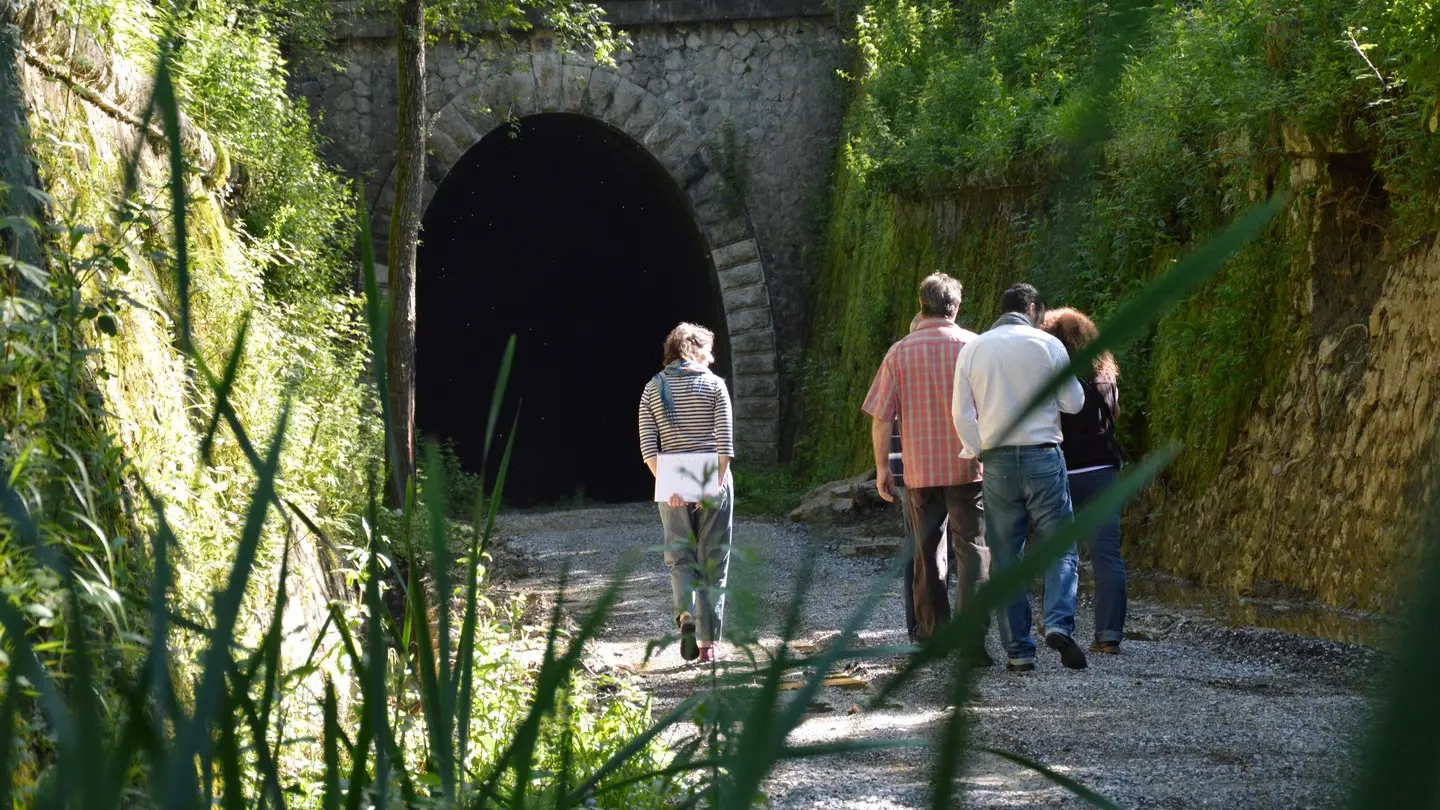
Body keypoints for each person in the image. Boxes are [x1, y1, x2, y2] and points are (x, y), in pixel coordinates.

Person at [951, 283, 1087, 672]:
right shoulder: (1047, 346)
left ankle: (1019, 652)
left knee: (1006, 556)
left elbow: (961, 413)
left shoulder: (974, 348)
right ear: (1030, 308)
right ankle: (1058, 624)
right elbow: (1074, 403)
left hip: (997, 462)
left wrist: (980, 448)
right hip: (1043, 454)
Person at [861, 274, 991, 661]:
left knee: (926, 550)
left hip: (919, 471)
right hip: (969, 467)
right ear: (956, 307)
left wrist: (882, 467)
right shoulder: (975, 346)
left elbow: (881, 417)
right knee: (973, 550)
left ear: (922, 305)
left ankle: (933, 636)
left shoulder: (899, 352)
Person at [638, 323, 735, 664]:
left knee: (680, 558)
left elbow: (648, 448)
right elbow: (725, 443)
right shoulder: (715, 386)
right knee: (713, 561)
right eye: (708, 350)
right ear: (694, 349)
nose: (712, 358)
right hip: (713, 476)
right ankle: (708, 646)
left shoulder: (652, 388)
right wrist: (715, 484)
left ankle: (685, 615)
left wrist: (668, 484)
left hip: (672, 482)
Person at [1042, 307, 1127, 654]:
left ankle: (1059, 626)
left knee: (1061, 553)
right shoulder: (1106, 377)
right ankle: (1108, 636)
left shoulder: (1054, 376)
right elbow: (1115, 415)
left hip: (1064, 470)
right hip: (1103, 471)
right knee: (1107, 554)